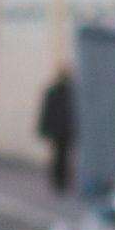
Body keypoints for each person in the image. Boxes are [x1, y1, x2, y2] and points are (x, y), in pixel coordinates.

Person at [36, 64, 78, 198]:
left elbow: (46, 112)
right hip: (65, 130)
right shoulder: (71, 92)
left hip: (58, 130)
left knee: (58, 156)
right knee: (63, 156)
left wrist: (43, 129)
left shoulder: (56, 91)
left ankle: (59, 181)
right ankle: (62, 181)